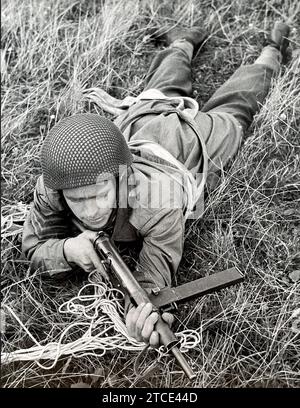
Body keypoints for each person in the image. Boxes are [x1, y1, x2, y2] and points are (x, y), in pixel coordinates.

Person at [22, 22, 290, 347]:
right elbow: (34, 246)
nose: (91, 210)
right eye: (78, 199)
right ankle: (183, 42)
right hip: (138, 121)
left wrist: (149, 307)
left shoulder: (159, 200)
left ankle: (271, 51)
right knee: (164, 87)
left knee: (235, 109)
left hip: (186, 141)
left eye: (100, 193)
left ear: (123, 179)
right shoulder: (55, 181)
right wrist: (66, 249)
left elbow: (157, 268)